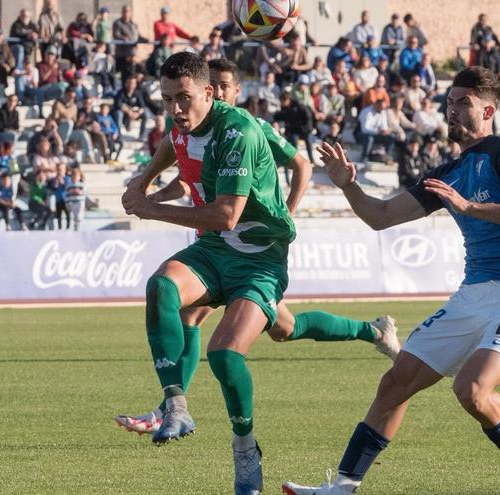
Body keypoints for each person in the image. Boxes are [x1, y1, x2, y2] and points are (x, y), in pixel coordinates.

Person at [117, 52, 399, 495]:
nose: (175, 109)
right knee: (163, 287)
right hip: (214, 249)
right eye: (167, 99)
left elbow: (228, 214)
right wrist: (144, 178)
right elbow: (174, 144)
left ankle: (245, 446)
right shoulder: (183, 122)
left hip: (259, 256)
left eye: (184, 98)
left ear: (211, 93)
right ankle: (174, 405)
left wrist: (151, 207)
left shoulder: (244, 130)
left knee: (228, 353)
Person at [283, 66, 500, 495]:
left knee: (472, 391)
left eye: (462, 103)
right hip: (472, 296)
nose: (452, 110)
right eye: (449, 103)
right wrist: (348, 187)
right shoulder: (447, 171)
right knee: (396, 383)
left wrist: (469, 208)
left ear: (488, 109)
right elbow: (381, 217)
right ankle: (343, 486)